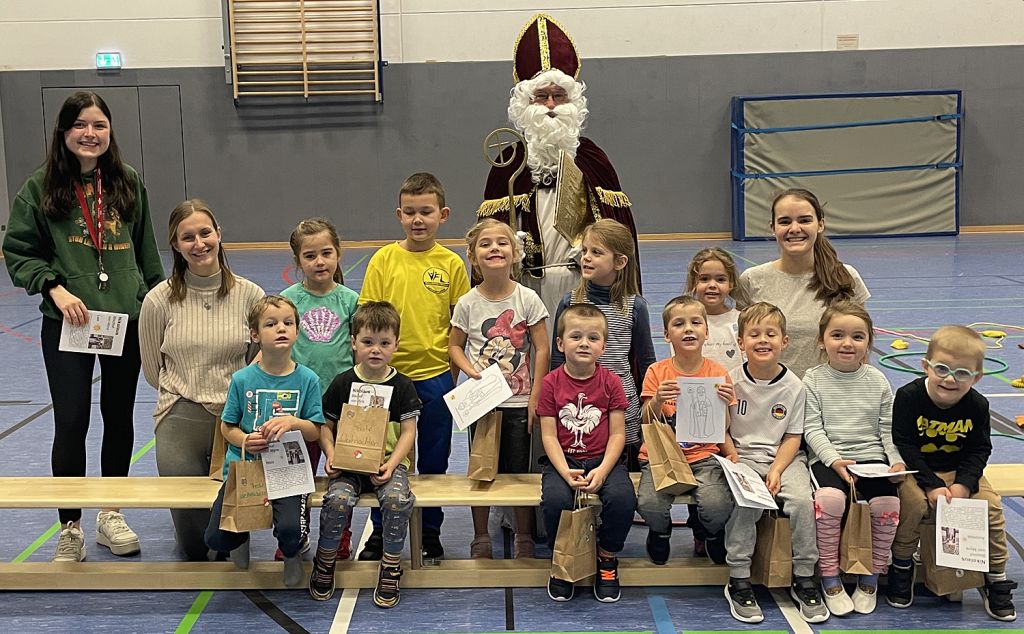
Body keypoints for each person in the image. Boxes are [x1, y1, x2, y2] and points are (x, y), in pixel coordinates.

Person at [2, 91, 164, 562]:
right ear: (64, 132)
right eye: (79, 125)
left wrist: (158, 303)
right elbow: (19, 252)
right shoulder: (39, 187)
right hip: (68, 321)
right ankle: (69, 525)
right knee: (71, 421)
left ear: (110, 133)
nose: (89, 134)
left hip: (124, 322)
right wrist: (53, 287)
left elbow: (146, 249)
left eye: (99, 125)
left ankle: (111, 512)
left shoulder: (128, 182)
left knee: (118, 419)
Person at [478, 13, 639, 318]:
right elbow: (489, 231)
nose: (551, 105)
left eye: (558, 95)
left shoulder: (593, 158)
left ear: (572, 101)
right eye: (542, 96)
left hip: (584, 283)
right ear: (526, 104)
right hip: (527, 285)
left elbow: (617, 226)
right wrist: (511, 243)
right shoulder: (509, 163)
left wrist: (597, 248)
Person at [139, 199, 264, 561]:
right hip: (181, 417)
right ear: (176, 245)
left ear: (219, 234)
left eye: (205, 233)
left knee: (233, 543)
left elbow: (262, 358)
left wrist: (236, 399)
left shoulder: (250, 295)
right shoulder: (158, 301)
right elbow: (152, 370)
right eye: (188, 237)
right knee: (195, 548)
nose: (199, 243)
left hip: (237, 420)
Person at [358, 172, 470, 560]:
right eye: (410, 212)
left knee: (435, 457)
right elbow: (367, 317)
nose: (418, 219)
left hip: (436, 375)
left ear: (443, 214)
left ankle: (431, 530)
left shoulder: (452, 264)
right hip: (387, 378)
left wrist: (452, 373)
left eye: (426, 212)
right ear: (399, 215)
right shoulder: (384, 260)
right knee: (382, 457)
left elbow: (461, 322)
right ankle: (379, 531)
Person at [887, 325, 1017, 621]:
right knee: (914, 506)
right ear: (926, 366)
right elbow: (904, 443)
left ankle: (995, 577)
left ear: (977, 377)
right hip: (917, 471)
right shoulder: (908, 397)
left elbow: (978, 450)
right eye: (942, 369)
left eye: (962, 373)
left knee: (991, 508)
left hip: (959, 473)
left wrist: (963, 485)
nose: (949, 378)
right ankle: (903, 566)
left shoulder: (977, 405)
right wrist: (931, 485)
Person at [204, 295, 323, 587]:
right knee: (216, 538)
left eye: (287, 323)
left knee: (291, 531)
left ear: (297, 331)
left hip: (288, 472)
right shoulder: (242, 379)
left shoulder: (308, 380)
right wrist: (245, 439)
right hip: (246, 469)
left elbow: (314, 431)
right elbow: (227, 427)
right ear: (255, 335)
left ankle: (292, 556)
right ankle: (239, 536)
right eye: (271, 324)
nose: (280, 329)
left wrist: (294, 422)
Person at [721, 302, 827, 624]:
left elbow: (793, 437)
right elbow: (722, 430)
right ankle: (738, 577)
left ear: (785, 341)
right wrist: (733, 457)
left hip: (784, 457)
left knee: (801, 502)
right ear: (741, 343)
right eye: (754, 334)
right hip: (742, 456)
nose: (762, 340)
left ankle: (805, 576)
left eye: (771, 333)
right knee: (748, 502)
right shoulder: (730, 382)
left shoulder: (795, 386)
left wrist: (778, 470)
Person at [449, 219, 549, 559]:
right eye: (486, 244)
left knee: (519, 471)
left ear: (515, 252)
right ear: (473, 257)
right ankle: (480, 537)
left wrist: (536, 395)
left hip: (519, 402)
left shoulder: (528, 298)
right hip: (482, 404)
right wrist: (469, 372)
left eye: (502, 243)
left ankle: (524, 535)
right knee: (482, 470)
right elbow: (455, 348)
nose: (494, 248)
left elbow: (542, 348)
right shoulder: (467, 303)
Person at [309, 302, 419, 607]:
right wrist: (331, 455)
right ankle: (326, 560)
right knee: (337, 501)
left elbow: (409, 432)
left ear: (396, 345)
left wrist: (392, 464)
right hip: (348, 465)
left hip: (387, 467)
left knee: (397, 502)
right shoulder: (343, 383)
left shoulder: (403, 386)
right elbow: (325, 427)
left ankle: (391, 565)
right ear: (354, 342)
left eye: (384, 343)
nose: (375, 350)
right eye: (368, 342)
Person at [802, 302, 904, 615]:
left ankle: (870, 577)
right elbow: (812, 429)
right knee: (830, 500)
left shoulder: (878, 381)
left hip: (873, 459)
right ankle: (830, 576)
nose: (847, 343)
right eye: (838, 335)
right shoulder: (812, 380)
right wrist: (834, 461)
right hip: (829, 459)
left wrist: (896, 461)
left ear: (868, 342)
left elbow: (887, 429)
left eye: (857, 337)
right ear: (822, 341)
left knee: (887, 505)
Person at [537, 304, 637, 603]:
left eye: (593, 338)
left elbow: (618, 433)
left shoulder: (611, 382)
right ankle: (563, 561)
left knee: (623, 499)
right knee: (556, 500)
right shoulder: (550, 383)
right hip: (563, 461)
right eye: (576, 336)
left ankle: (606, 557)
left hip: (603, 460)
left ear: (603, 345)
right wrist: (565, 471)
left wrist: (604, 469)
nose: (584, 343)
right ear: (560, 343)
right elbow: (549, 435)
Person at [281, 217, 359, 561]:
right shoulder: (287, 301)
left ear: (338, 254)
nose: (319, 262)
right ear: (298, 261)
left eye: (326, 253)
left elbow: (362, 352)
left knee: (341, 476)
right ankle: (294, 536)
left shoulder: (350, 300)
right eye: (310, 256)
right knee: (296, 476)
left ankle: (338, 536)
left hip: (342, 407)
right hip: (299, 408)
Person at [637, 296, 735, 566]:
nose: (688, 329)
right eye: (679, 324)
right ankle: (660, 532)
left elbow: (724, 428)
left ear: (707, 331)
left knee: (717, 505)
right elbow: (646, 420)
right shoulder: (657, 372)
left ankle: (712, 534)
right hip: (661, 456)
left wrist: (725, 403)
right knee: (649, 504)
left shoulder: (718, 373)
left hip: (704, 457)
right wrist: (657, 400)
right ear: (667, 335)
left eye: (695, 323)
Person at [550, 219, 655, 469]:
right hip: (578, 404)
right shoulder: (570, 302)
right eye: (585, 250)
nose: (586, 257)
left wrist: (650, 405)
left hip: (621, 406)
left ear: (619, 262)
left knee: (620, 478)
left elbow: (647, 361)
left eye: (596, 252)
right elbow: (557, 359)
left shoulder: (635, 306)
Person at [736, 188, 869, 378]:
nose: (795, 228)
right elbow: (743, 345)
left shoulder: (846, 277)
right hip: (772, 399)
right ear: (773, 228)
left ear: (820, 224)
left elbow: (860, 349)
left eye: (805, 220)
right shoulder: (751, 280)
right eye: (784, 221)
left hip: (828, 398)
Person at [686, 247, 744, 373]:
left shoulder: (742, 320)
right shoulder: (685, 324)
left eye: (720, 279)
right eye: (704, 279)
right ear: (693, 283)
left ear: (731, 284)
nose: (712, 285)